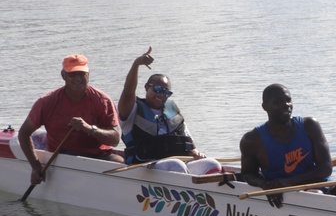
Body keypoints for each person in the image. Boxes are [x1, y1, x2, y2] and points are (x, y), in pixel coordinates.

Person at [240, 84, 336, 208]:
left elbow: (326, 168)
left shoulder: (310, 126)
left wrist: (289, 182)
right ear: (265, 107)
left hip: (318, 187)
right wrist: (266, 186)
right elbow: (248, 173)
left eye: (288, 100)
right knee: (315, 196)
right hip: (282, 193)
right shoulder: (251, 140)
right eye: (277, 102)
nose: (286, 105)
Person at [18, 54, 123, 185]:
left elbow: (115, 140)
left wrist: (89, 129)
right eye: (72, 74)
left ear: (88, 74)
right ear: (63, 76)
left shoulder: (103, 101)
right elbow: (23, 133)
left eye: (82, 73)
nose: (78, 78)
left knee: (122, 166)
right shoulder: (46, 102)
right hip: (62, 157)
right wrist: (35, 166)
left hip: (97, 155)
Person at [117, 47, 221, 175]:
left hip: (177, 165)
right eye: (158, 89)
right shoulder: (132, 111)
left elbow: (189, 144)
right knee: (176, 165)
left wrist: (196, 153)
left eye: (166, 92)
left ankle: (208, 192)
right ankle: (188, 192)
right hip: (146, 167)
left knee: (212, 164)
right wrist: (136, 64)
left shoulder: (173, 115)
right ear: (147, 87)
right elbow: (128, 93)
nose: (161, 95)